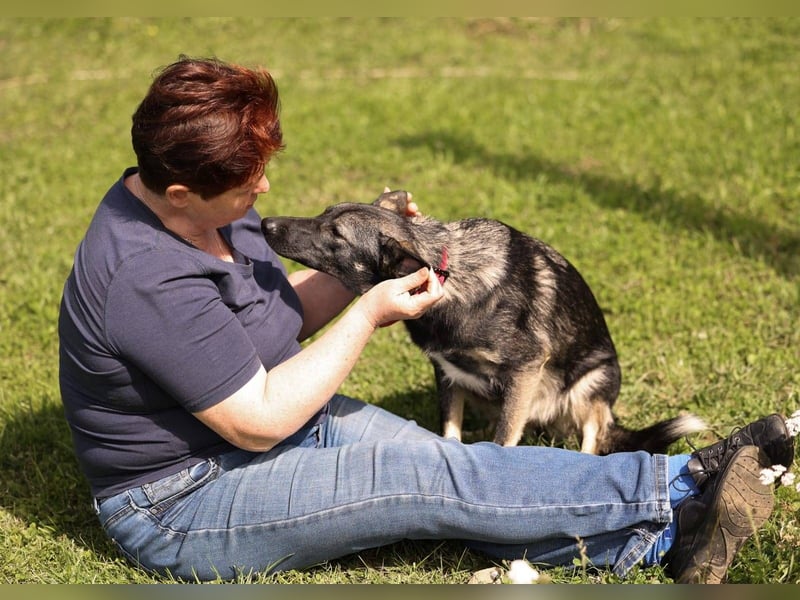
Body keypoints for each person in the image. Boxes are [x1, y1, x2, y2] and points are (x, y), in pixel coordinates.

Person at [57, 55, 795, 585]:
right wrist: (372, 310)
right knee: (425, 486)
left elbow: (281, 313)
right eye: (246, 184)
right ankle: (682, 483)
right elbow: (255, 421)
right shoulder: (142, 274)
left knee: (454, 472)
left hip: (278, 422)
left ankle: (669, 535)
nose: (265, 189)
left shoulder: (217, 210)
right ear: (180, 191)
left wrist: (383, 255)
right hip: (187, 499)